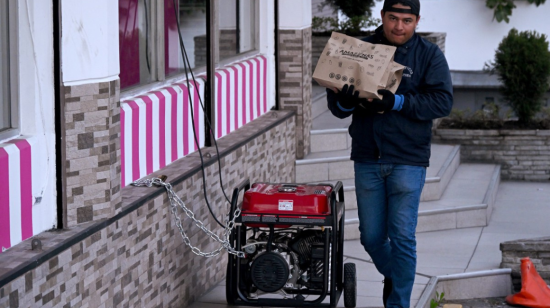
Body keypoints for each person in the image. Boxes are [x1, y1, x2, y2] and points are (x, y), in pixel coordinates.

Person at [326, 1, 453, 307]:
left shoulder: (429, 55)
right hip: (368, 157)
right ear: (382, 16)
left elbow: (441, 103)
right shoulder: (358, 50)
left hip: (408, 160)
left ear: (417, 20)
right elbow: (337, 109)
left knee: (403, 237)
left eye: (407, 20)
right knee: (370, 238)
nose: (399, 26)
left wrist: (397, 103)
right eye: (393, 18)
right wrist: (346, 99)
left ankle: (398, 304)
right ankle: (398, 276)